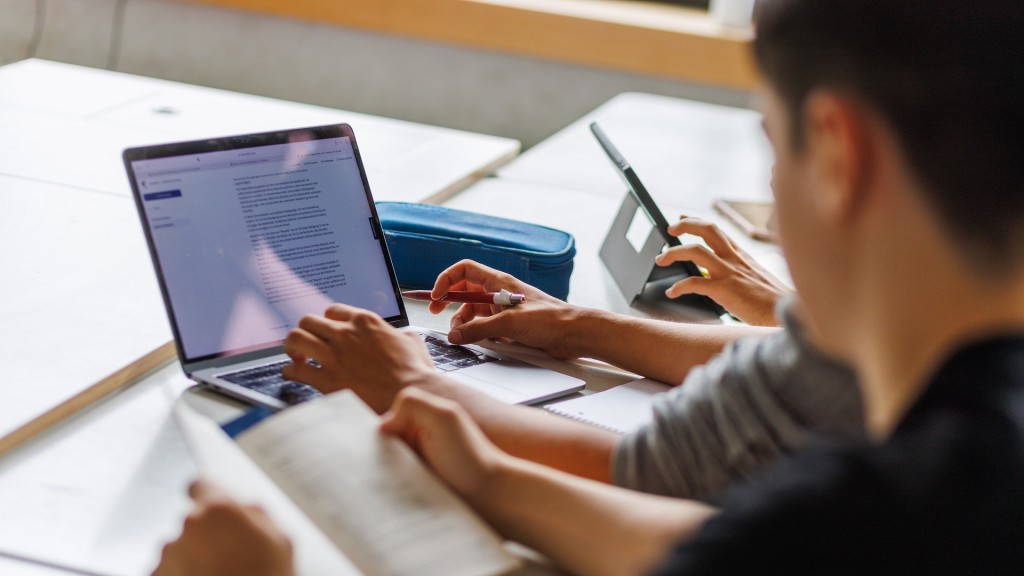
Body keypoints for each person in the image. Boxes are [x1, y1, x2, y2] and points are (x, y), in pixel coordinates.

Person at [160, 0, 1024, 570]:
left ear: (837, 155)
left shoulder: (903, 515)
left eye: (774, 143)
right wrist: (494, 478)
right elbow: (716, 541)